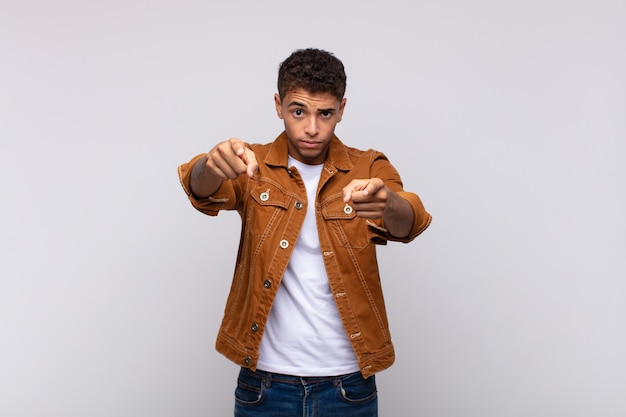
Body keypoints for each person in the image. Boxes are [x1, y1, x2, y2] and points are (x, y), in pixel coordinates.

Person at [177, 48, 431, 417]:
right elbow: (200, 190)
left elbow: (411, 220)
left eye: (325, 113)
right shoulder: (253, 165)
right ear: (278, 105)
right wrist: (210, 165)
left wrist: (389, 204)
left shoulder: (368, 165)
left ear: (341, 110)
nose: (312, 128)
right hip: (264, 385)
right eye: (299, 111)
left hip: (348, 385)